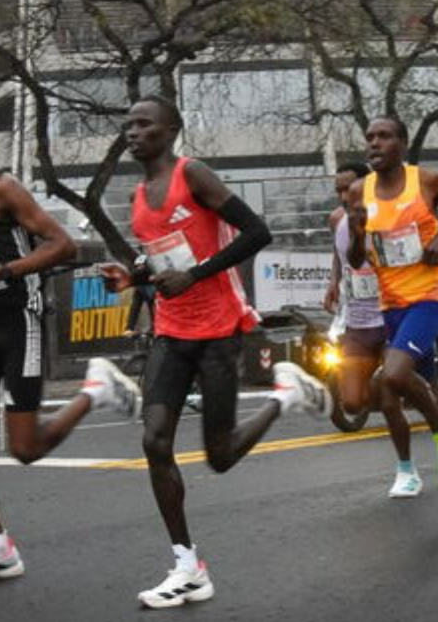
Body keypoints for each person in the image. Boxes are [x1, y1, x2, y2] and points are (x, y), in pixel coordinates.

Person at [101, 96, 330, 609]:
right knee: (155, 441)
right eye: (128, 124)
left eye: (144, 123)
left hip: (219, 328)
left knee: (220, 456)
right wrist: (131, 274)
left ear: (171, 129)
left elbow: (257, 231)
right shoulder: (138, 197)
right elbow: (158, 257)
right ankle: (187, 564)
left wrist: (196, 274)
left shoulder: (194, 174)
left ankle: (283, 397)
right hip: (172, 329)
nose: (132, 131)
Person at [0, 104, 141, 586]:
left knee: (24, 449)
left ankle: (96, 390)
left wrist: (0, 273)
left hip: (19, 322)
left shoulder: (3, 189)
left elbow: (61, 245)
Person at [345, 116, 438, 524]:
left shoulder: (427, 181)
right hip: (390, 304)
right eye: (370, 137)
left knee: (392, 374)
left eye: (384, 136)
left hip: (429, 297)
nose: (375, 143)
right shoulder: (360, 190)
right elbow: (357, 259)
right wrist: (357, 235)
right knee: (414, 389)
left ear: (403, 144)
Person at [324, 161, 422, 498]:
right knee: (351, 403)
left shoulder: (391, 214)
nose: (342, 195)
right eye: (338, 189)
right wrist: (333, 282)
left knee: (394, 398)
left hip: (392, 315)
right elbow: (341, 256)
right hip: (357, 319)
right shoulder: (338, 219)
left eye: (348, 188)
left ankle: (407, 470)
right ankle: (399, 391)